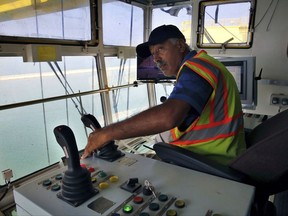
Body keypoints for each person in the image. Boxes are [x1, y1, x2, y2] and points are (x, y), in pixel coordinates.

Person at [82, 24, 246, 165]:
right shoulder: (202, 63)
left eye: (160, 49)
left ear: (180, 46)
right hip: (210, 152)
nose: (156, 59)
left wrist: (106, 133)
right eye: (153, 53)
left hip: (207, 160)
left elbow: (169, 117)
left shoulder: (196, 69)